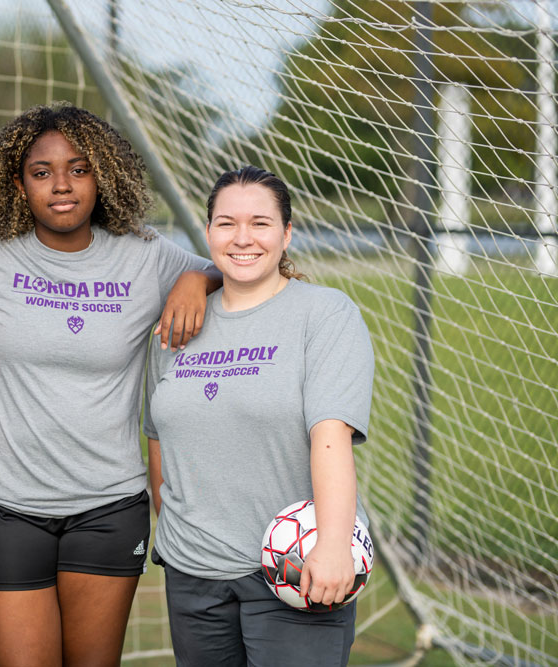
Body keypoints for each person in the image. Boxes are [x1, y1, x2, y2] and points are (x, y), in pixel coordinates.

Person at [0, 102, 220, 667]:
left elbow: (233, 269)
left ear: (104, 175)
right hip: (7, 509)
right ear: (18, 183)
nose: (61, 185)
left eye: (79, 168)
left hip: (109, 508)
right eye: (42, 172)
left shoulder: (144, 256)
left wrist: (195, 277)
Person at [144, 166, 374, 666]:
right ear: (207, 233)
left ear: (287, 234)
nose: (242, 238)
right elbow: (158, 436)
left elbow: (330, 437)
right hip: (193, 575)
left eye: (261, 224)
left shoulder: (326, 315)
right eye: (226, 224)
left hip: (294, 569)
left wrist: (333, 544)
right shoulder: (176, 328)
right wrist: (182, 526)